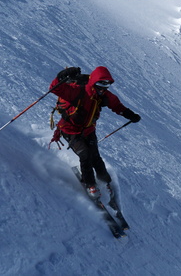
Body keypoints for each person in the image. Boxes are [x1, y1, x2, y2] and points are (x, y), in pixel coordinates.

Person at [50, 66, 141, 199]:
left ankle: (105, 182)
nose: (103, 89)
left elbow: (116, 105)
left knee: (95, 157)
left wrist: (130, 115)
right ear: (93, 82)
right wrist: (61, 75)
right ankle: (90, 184)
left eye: (106, 86)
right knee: (85, 155)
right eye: (100, 85)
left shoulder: (103, 95)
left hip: (89, 130)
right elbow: (55, 88)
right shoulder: (78, 92)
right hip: (69, 130)